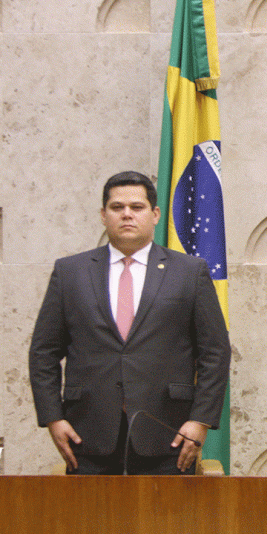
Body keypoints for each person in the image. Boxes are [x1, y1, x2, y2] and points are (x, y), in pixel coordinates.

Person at [29, 171, 230, 474]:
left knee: (167, 522)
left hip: (170, 434)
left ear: (155, 215)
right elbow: (43, 351)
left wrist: (200, 420)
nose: (127, 215)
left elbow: (215, 351)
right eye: (117, 207)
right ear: (103, 214)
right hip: (87, 434)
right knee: (90, 522)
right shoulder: (70, 272)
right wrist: (53, 418)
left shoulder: (190, 272)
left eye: (137, 208)